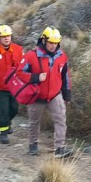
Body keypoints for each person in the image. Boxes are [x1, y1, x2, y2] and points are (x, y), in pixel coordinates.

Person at [18, 27, 72, 158]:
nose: (53, 46)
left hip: (54, 95)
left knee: (60, 120)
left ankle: (60, 148)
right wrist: (35, 77)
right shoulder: (31, 56)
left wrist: (67, 93)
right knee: (34, 122)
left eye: (56, 43)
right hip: (36, 96)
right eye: (51, 43)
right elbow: (19, 72)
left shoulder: (62, 56)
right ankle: (33, 145)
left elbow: (65, 75)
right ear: (44, 40)